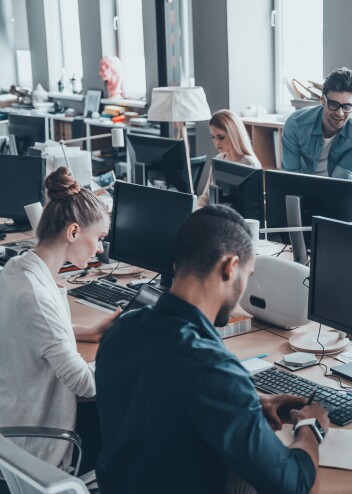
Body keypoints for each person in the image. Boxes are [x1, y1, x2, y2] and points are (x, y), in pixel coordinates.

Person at [95, 205, 329, 494]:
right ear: (230, 267)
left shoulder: (121, 330)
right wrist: (310, 428)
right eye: (248, 274)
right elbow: (294, 485)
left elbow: (163, 393)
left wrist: (250, 401)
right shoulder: (212, 367)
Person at [0, 167, 116, 469]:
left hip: (13, 413)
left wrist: (80, 331)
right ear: (74, 232)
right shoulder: (36, 296)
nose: (101, 249)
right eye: (100, 237)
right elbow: (85, 383)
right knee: (144, 429)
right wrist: (131, 358)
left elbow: (25, 330)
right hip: (36, 443)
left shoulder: (17, 268)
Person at [281, 67, 352, 180]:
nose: (340, 113)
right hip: (303, 188)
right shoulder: (295, 124)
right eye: (334, 104)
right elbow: (291, 176)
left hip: (340, 190)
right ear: (322, 100)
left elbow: (342, 177)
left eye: (347, 106)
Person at [197, 109, 262, 208]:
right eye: (213, 137)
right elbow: (205, 197)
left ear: (234, 134)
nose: (216, 142)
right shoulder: (218, 160)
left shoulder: (249, 163)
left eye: (221, 137)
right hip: (217, 217)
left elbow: (253, 206)